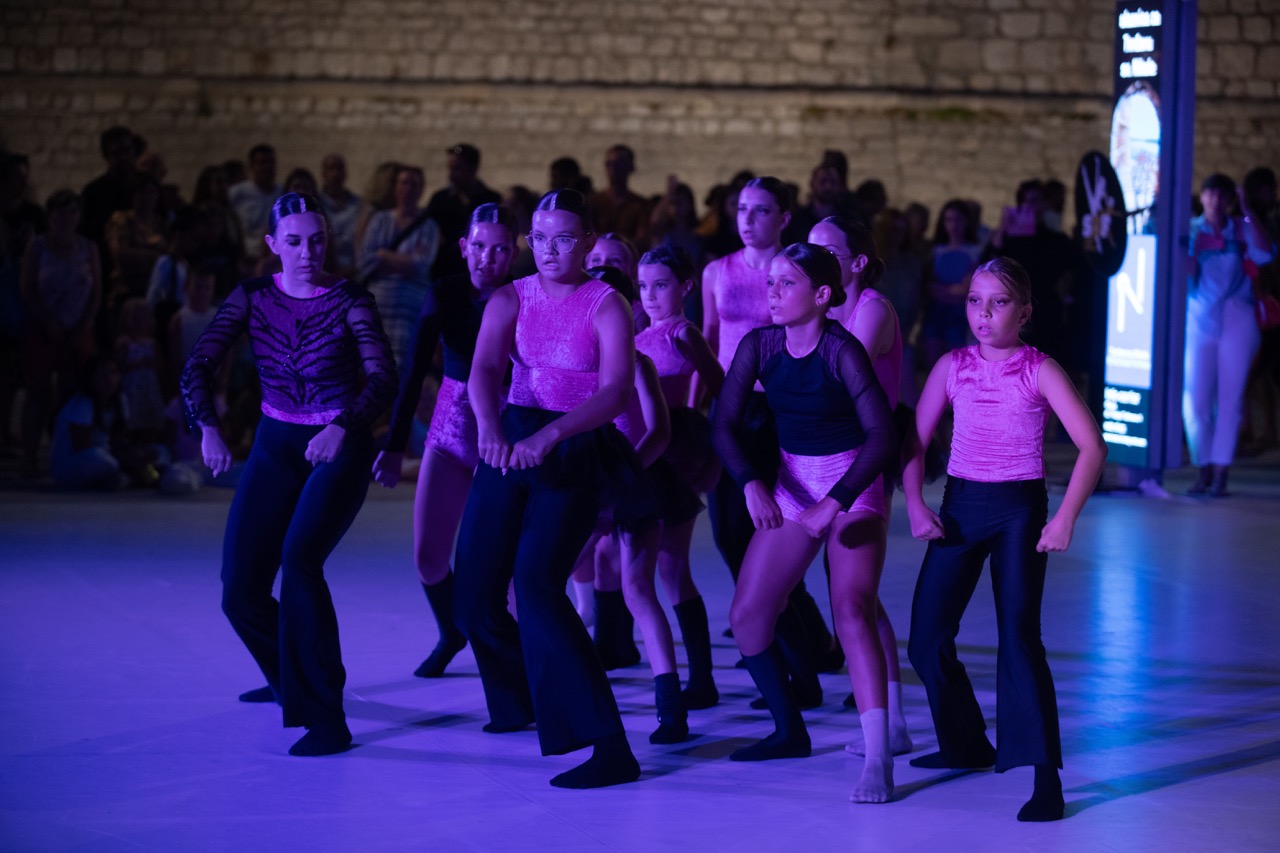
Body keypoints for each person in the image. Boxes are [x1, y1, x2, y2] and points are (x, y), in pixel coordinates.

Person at [181, 192, 397, 757]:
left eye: (318, 240)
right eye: (294, 241)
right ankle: (291, 678)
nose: (307, 251)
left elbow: (383, 377)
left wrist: (344, 426)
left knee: (300, 563)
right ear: (272, 245)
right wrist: (207, 426)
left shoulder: (349, 299)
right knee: (240, 591)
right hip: (277, 444)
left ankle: (326, 716)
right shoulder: (252, 297)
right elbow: (198, 363)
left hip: (338, 444)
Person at [903, 257, 1107, 822]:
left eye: (998, 302)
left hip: (1019, 510)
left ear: (1025, 311)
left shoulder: (1039, 369)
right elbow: (914, 444)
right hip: (960, 506)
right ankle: (965, 743)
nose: (983, 313)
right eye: (974, 300)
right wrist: (917, 504)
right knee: (925, 639)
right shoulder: (951, 365)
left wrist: (1064, 517)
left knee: (1019, 640)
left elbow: (1092, 446)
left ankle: (1046, 779)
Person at [453, 188, 642, 788]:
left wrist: (554, 435)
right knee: (475, 594)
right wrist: (488, 426)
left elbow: (615, 391)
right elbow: (484, 370)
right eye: (539, 238)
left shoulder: (607, 303)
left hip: (575, 446)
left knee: (536, 587)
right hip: (509, 437)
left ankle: (612, 747)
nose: (550, 249)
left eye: (564, 238)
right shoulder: (511, 295)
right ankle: (523, 705)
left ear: (588, 241)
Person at [713, 244, 895, 805]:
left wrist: (834, 500)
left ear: (820, 296)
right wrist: (750, 482)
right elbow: (721, 425)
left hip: (852, 484)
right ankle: (789, 730)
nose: (771, 293)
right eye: (770, 283)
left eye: (785, 284)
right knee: (747, 618)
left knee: (851, 611)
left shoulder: (842, 351)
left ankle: (879, 760)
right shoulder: (759, 344)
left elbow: (882, 436)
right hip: (791, 484)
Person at [371, 203, 519, 678]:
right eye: (478, 247)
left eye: (498, 250)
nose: (486, 258)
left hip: (502, 433)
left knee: (496, 564)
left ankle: (510, 656)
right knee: (428, 556)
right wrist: (394, 446)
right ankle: (450, 631)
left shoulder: (523, 297)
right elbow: (412, 368)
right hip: (451, 427)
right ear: (463, 247)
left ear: (513, 253)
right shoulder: (445, 291)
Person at [700, 176, 838, 677]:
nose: (747, 219)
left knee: (775, 529)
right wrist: (703, 410)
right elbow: (710, 342)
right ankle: (781, 634)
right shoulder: (718, 271)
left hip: (781, 409)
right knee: (727, 531)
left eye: (760, 211)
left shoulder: (791, 272)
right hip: (731, 408)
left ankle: (799, 645)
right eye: (741, 209)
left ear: (783, 218)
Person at [809, 217, 913, 757]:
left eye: (827, 248)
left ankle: (889, 725)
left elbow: (836, 370)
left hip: (861, 460)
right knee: (858, 598)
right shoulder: (821, 308)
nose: (814, 255)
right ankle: (892, 720)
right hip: (820, 460)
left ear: (856, 262)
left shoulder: (871, 307)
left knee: (853, 597)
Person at [635, 245, 724, 710]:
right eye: (644, 285)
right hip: (647, 452)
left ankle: (701, 678)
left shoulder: (684, 333)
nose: (649, 295)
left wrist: (704, 432)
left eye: (661, 285)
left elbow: (720, 383)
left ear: (686, 287)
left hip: (678, 452)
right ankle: (690, 676)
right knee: (656, 570)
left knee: (671, 568)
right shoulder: (637, 336)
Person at [1184, 173, 1277, 495]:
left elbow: (1266, 253)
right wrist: (1197, 250)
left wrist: (1249, 210)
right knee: (1195, 401)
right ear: (1203, 197)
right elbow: (1178, 271)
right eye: (1211, 195)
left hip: (1238, 317)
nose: (1216, 201)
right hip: (1198, 318)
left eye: (1223, 196)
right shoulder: (1192, 229)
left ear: (1230, 199)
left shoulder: (1241, 226)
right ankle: (1204, 465)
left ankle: (1221, 470)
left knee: (1231, 399)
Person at [19, 189, 101, 478]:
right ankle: (30, 456)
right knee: (38, 390)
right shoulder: (38, 247)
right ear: (50, 215)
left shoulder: (88, 248)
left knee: (71, 391)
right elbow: (27, 288)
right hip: (44, 327)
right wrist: (48, 321)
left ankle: (64, 452)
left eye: (72, 212)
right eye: (60, 212)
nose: (66, 218)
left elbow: (96, 293)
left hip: (78, 329)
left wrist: (81, 326)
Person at [357, 165, 439, 368]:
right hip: (380, 302)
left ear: (421, 189)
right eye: (404, 182)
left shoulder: (429, 227)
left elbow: (422, 265)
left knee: (402, 365)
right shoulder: (380, 220)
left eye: (414, 184)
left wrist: (383, 255)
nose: (408, 188)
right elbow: (366, 260)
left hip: (409, 306)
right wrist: (406, 260)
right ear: (395, 187)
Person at [424, 143, 502, 281]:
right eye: (451, 168)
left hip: (480, 272)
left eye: (458, 169)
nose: (451, 175)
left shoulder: (491, 200)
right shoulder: (440, 199)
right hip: (445, 273)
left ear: (473, 168)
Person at [921, 199, 983, 370]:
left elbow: (966, 289)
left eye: (958, 220)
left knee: (957, 368)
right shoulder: (935, 250)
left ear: (967, 222)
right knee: (933, 367)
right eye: (949, 220)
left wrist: (947, 291)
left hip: (959, 316)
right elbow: (928, 285)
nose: (953, 225)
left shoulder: (975, 251)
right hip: (935, 313)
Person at [587, 144, 652, 247]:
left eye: (619, 164)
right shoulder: (592, 202)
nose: (614, 169)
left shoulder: (641, 206)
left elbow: (642, 240)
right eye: (610, 164)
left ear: (630, 167)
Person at [228, 144, 283, 260]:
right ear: (252, 166)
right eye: (262, 163)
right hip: (247, 259)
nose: (267, 167)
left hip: (275, 260)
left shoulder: (282, 193)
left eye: (271, 162)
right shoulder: (237, 193)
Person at [318, 154, 364, 282]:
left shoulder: (358, 205)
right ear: (323, 173)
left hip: (353, 270)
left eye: (339, 169)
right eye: (331, 169)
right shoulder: (316, 203)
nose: (335, 174)